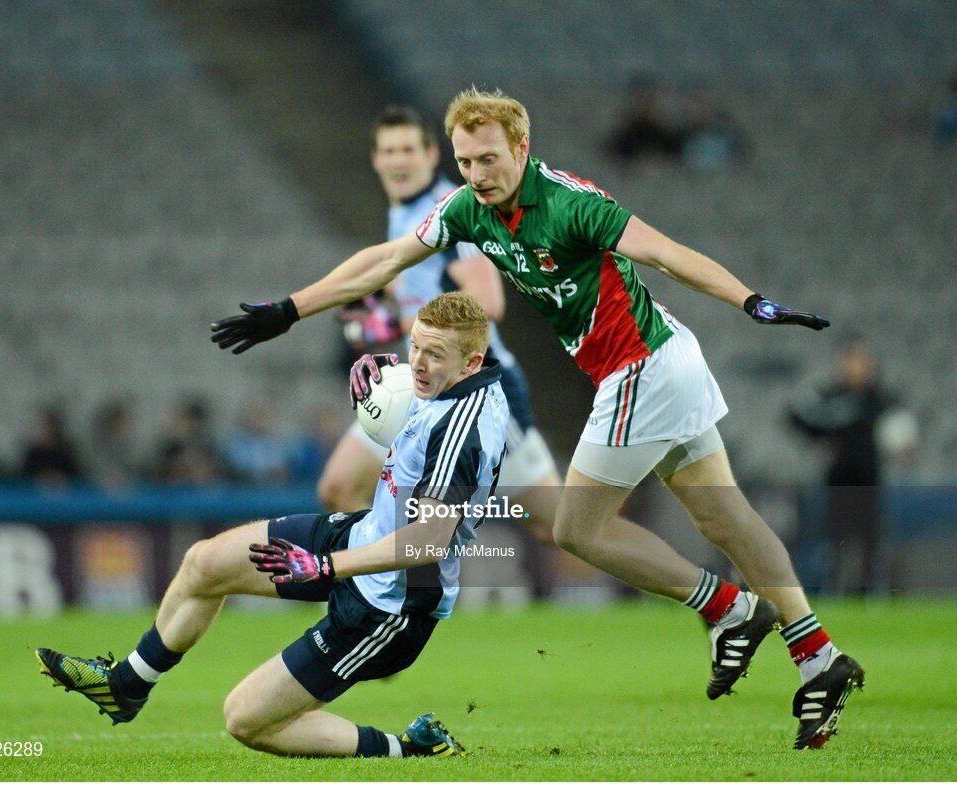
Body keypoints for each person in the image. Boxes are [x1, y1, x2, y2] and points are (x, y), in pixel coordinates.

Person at [208, 87, 865, 750]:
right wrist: (290, 309)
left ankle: (727, 608)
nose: (476, 175)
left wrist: (750, 301)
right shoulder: (469, 208)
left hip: (643, 367)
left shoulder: (572, 202)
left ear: (523, 148)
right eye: (465, 162)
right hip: (663, 363)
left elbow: (662, 252)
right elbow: (384, 260)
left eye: (489, 160)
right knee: (726, 519)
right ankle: (819, 657)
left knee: (577, 529)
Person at [38, 293, 506, 759]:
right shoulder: (453, 383)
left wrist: (325, 565)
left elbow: (427, 542)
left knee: (246, 720)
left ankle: (410, 750)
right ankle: (125, 687)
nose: (418, 363)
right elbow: (411, 440)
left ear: (472, 362)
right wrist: (380, 400)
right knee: (204, 564)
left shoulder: (464, 429)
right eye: (416, 347)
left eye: (434, 355)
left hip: (392, 601)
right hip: (363, 536)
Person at [318, 106, 560, 547]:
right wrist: (381, 310)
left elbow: (488, 302)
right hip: (427, 384)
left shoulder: (454, 208)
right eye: (389, 150)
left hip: (480, 386)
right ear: (375, 159)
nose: (399, 160)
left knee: (560, 528)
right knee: (340, 487)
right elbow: (423, 289)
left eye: (408, 149)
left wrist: (395, 320)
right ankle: (372, 601)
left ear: (432, 155)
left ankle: (694, 591)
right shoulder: (405, 215)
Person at [789, 336, 890, 595]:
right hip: (840, 478)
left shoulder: (878, 399)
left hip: (869, 478)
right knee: (836, 541)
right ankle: (833, 589)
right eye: (850, 360)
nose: (854, 366)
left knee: (870, 542)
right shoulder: (834, 397)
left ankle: (868, 592)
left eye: (859, 360)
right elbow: (803, 420)